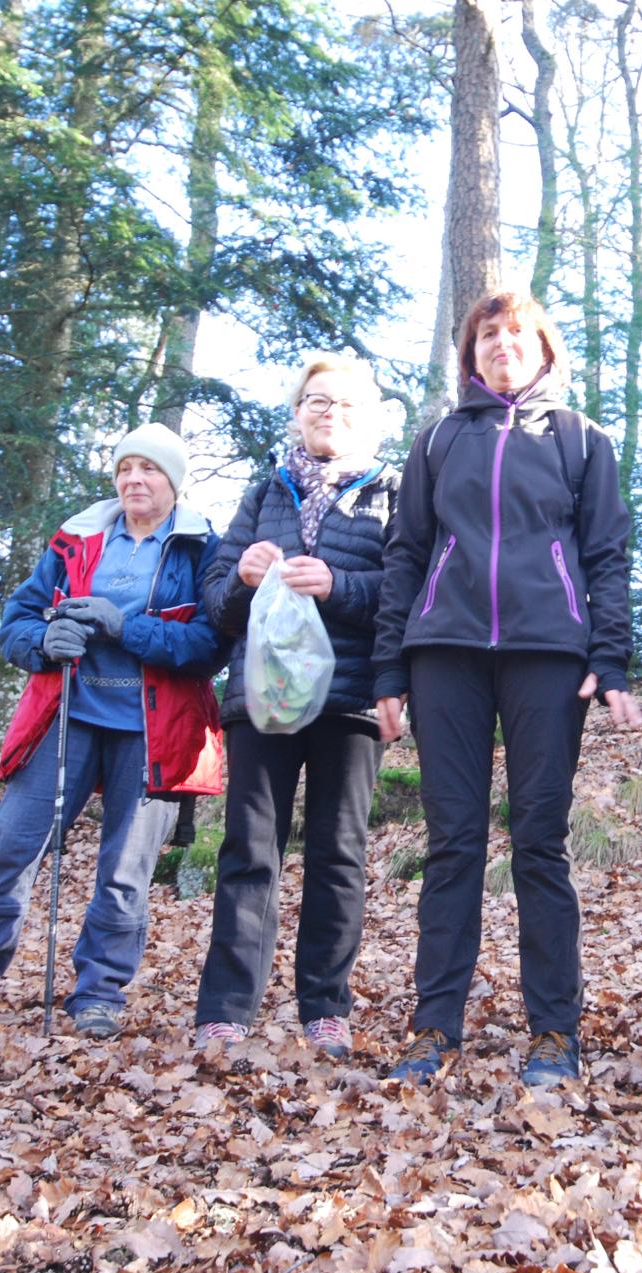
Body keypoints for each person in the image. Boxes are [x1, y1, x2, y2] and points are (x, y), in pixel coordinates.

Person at [372, 290, 642, 1088]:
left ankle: (555, 1032)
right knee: (453, 843)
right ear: (470, 355)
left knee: (540, 842)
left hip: (547, 654)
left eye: (517, 334)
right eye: (487, 336)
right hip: (444, 654)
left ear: (545, 350)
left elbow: (608, 553)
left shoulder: (580, 440)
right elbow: (405, 554)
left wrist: (611, 657)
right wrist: (389, 669)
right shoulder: (438, 441)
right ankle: (433, 1026)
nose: (502, 346)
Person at [0, 424, 227, 1039]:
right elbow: (16, 620)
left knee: (125, 870)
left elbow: (209, 645)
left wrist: (126, 628)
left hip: (155, 732)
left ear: (173, 481)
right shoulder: (77, 538)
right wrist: (42, 641)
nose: (134, 480)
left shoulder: (202, 548)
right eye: (125, 469)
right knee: (12, 845)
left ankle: (99, 994)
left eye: (149, 469)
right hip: (64, 719)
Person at [193, 354, 399, 1060]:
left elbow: (405, 594)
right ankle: (226, 1008)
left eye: (343, 404)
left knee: (338, 853)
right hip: (260, 697)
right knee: (249, 850)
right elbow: (216, 603)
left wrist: (337, 584)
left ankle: (325, 1007)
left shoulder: (391, 492)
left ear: (367, 418)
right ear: (296, 412)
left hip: (350, 699)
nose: (328, 412)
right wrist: (247, 578)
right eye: (315, 400)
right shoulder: (263, 493)